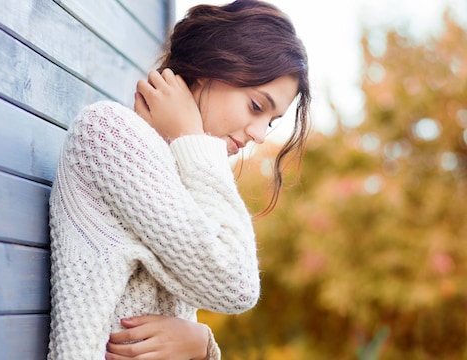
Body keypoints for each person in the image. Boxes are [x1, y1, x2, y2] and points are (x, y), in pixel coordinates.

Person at [48, 0, 311, 358]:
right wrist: (191, 135)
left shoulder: (178, 167)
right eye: (256, 106)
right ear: (210, 68)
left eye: (271, 120)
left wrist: (202, 346)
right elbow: (236, 283)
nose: (261, 134)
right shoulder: (110, 134)